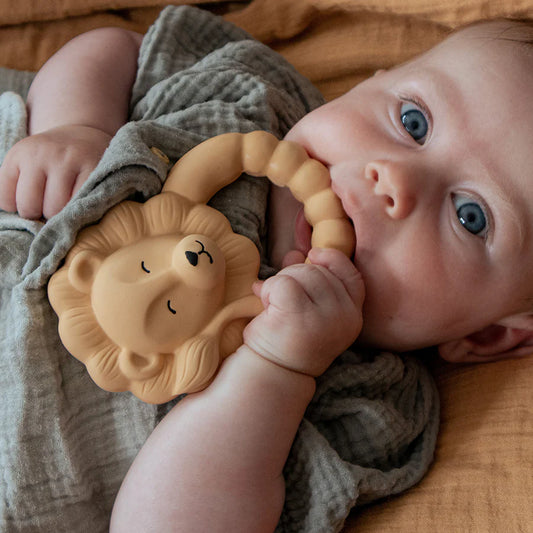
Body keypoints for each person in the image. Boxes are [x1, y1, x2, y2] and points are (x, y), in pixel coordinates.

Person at [0, 5, 532, 532]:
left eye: (471, 216)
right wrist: (77, 124)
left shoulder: (365, 407)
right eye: (413, 121)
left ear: (488, 336)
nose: (395, 180)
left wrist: (274, 371)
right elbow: (117, 49)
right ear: (376, 81)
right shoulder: (250, 96)